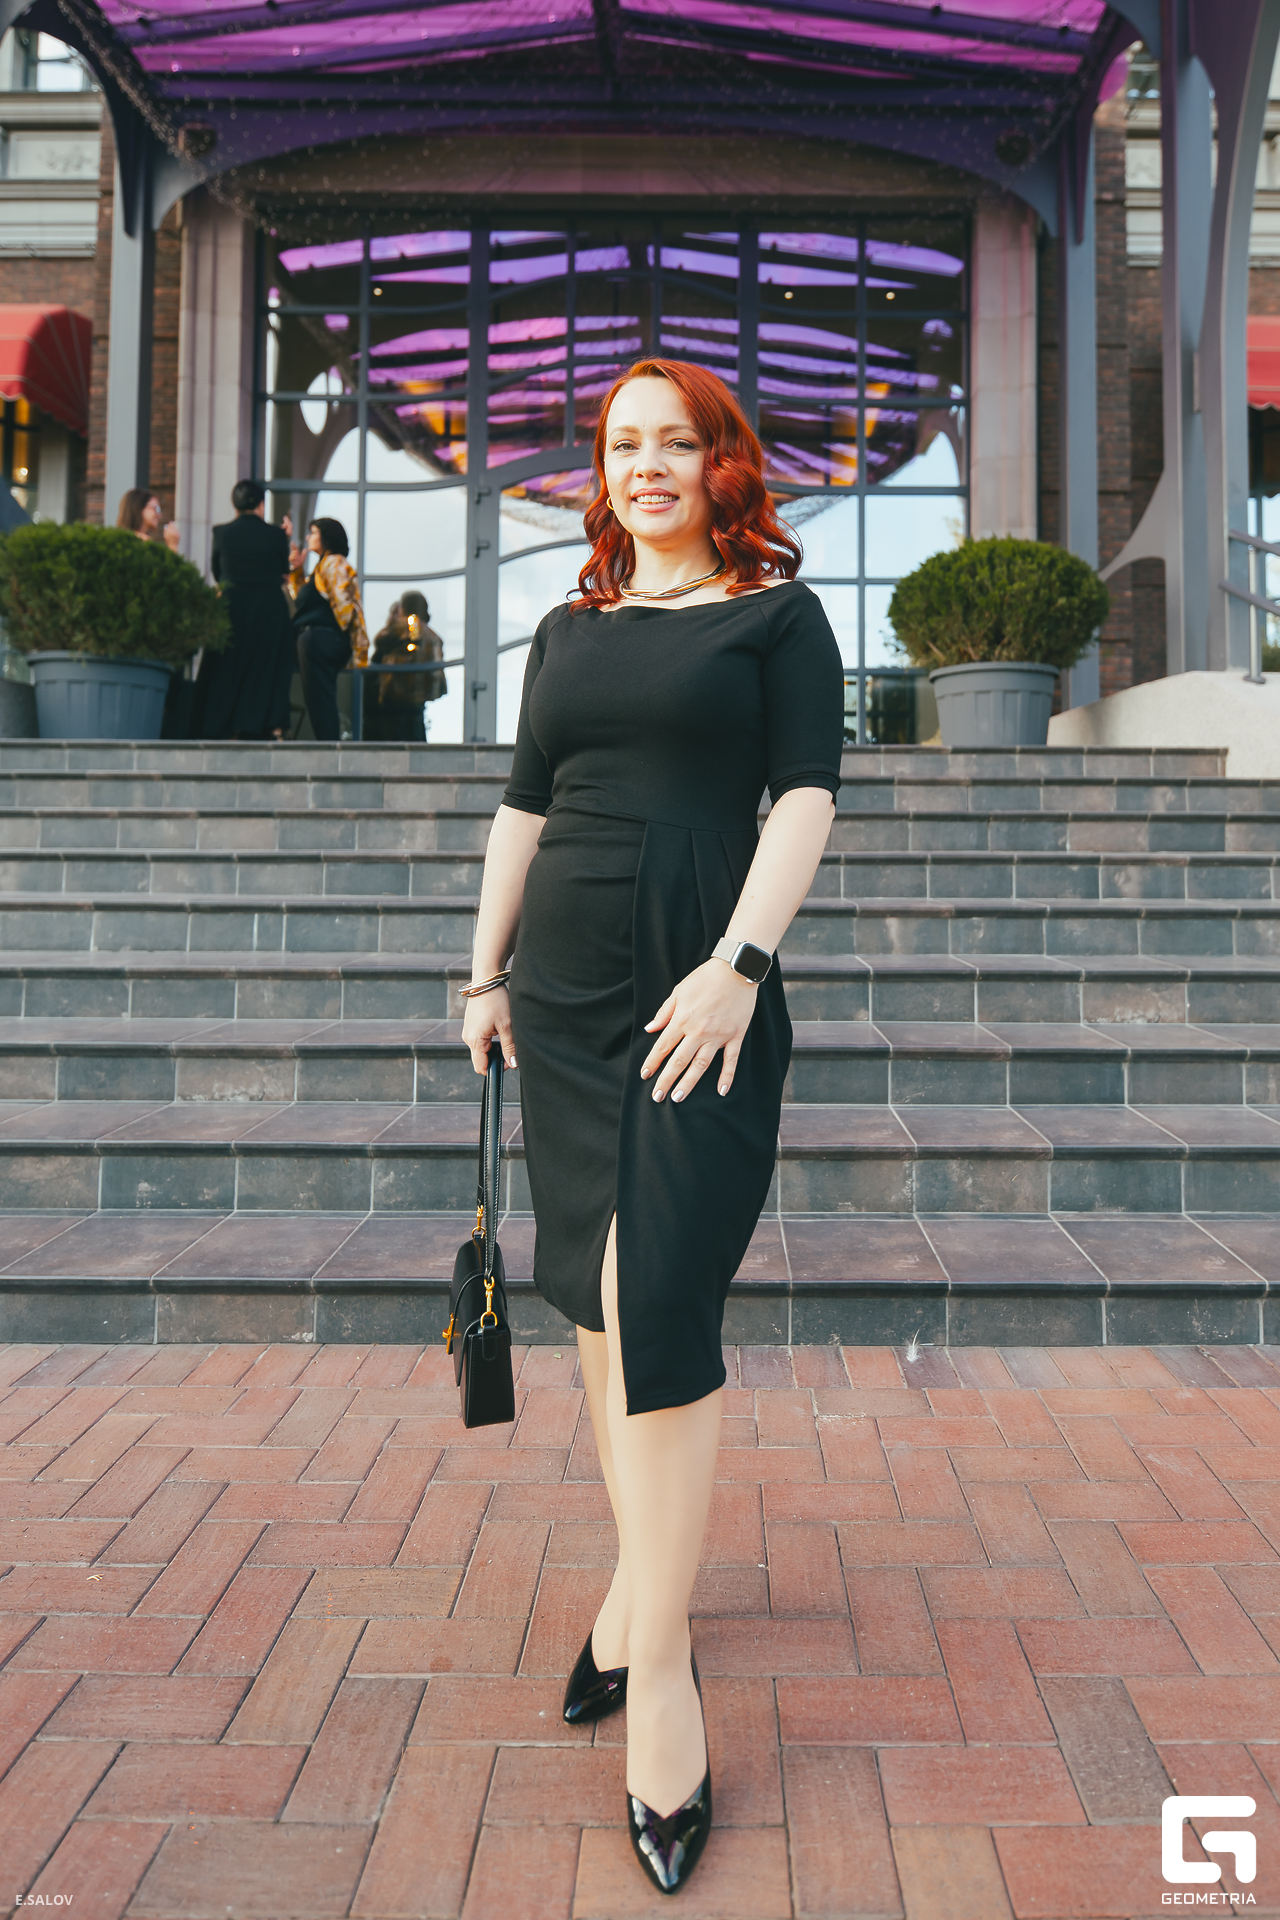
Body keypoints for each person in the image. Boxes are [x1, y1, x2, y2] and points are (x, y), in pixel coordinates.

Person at [460, 358, 842, 1896]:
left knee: (659, 1296)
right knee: (596, 1307)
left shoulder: (779, 618)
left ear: (721, 462)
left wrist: (742, 966)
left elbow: (804, 800)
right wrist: (481, 972)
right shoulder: (570, 631)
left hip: (701, 990)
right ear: (601, 471)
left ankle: (660, 1661)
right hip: (562, 998)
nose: (647, 466)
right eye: (624, 445)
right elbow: (523, 803)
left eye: (675, 441)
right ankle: (638, 1595)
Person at [189, 480, 295, 740]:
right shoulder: (276, 534)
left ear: (234, 505)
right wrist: (285, 537)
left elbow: (218, 572)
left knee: (227, 667)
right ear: (261, 504)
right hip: (269, 611)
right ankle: (266, 724)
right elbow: (283, 572)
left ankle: (222, 724)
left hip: (232, 608)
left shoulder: (221, 533)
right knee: (266, 667)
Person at [291, 516, 369, 742]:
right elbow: (303, 599)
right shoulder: (323, 566)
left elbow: (344, 605)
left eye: (313, 532)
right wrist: (297, 571)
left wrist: (339, 632)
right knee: (319, 697)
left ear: (326, 537)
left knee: (320, 699)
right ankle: (328, 744)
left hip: (321, 638)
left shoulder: (333, 562)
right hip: (319, 638)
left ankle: (329, 747)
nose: (308, 537)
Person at [366, 589, 446, 741]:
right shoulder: (432, 634)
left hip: (399, 690)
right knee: (416, 735)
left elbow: (380, 640)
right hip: (419, 695)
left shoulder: (410, 624)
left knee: (394, 737)